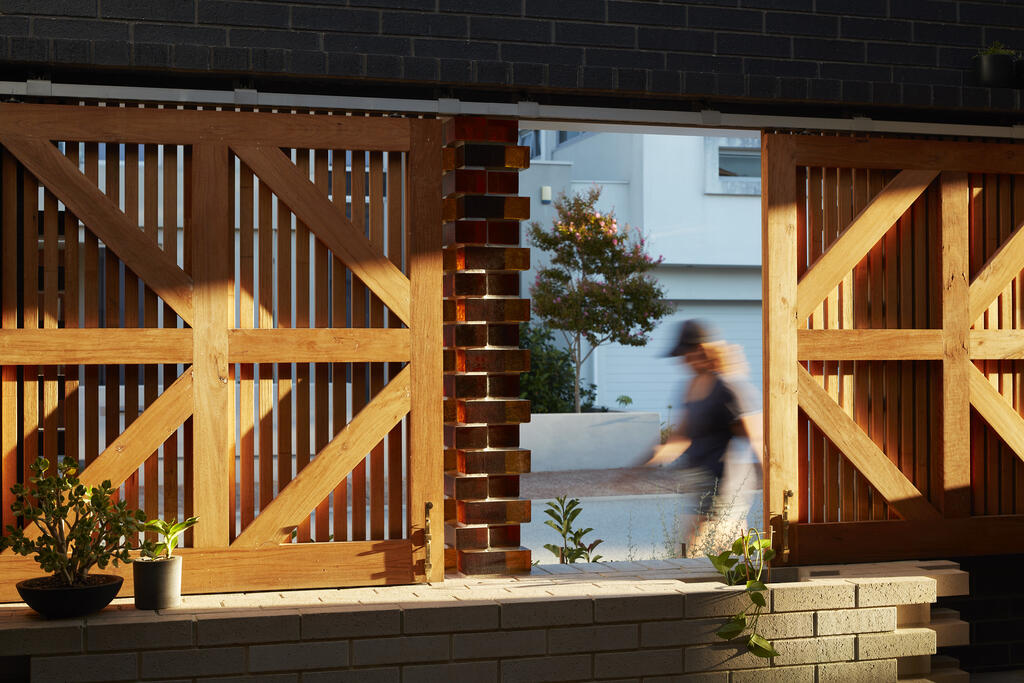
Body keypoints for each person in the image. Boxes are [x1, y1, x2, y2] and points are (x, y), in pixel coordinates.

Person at [644, 319, 764, 556]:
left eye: (684, 354)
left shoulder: (728, 388)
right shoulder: (691, 386)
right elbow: (680, 437)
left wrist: (772, 481)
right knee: (714, 554)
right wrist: (641, 465)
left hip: (724, 483)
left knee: (690, 553)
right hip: (700, 482)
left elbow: (755, 437)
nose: (682, 361)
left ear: (700, 350)